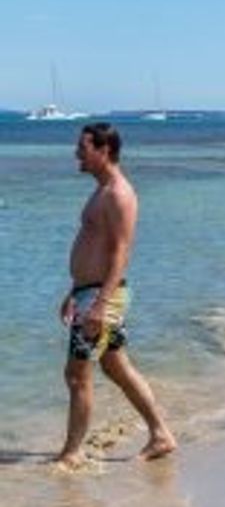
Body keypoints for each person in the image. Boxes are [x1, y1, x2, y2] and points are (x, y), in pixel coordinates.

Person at [56, 123, 176, 467]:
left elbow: (121, 253)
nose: (77, 153)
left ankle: (72, 452)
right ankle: (160, 434)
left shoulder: (119, 194)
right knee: (116, 366)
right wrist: (74, 290)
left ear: (104, 150)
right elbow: (95, 247)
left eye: (83, 147)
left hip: (99, 298)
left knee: (77, 374)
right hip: (88, 293)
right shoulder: (102, 191)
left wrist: (99, 303)